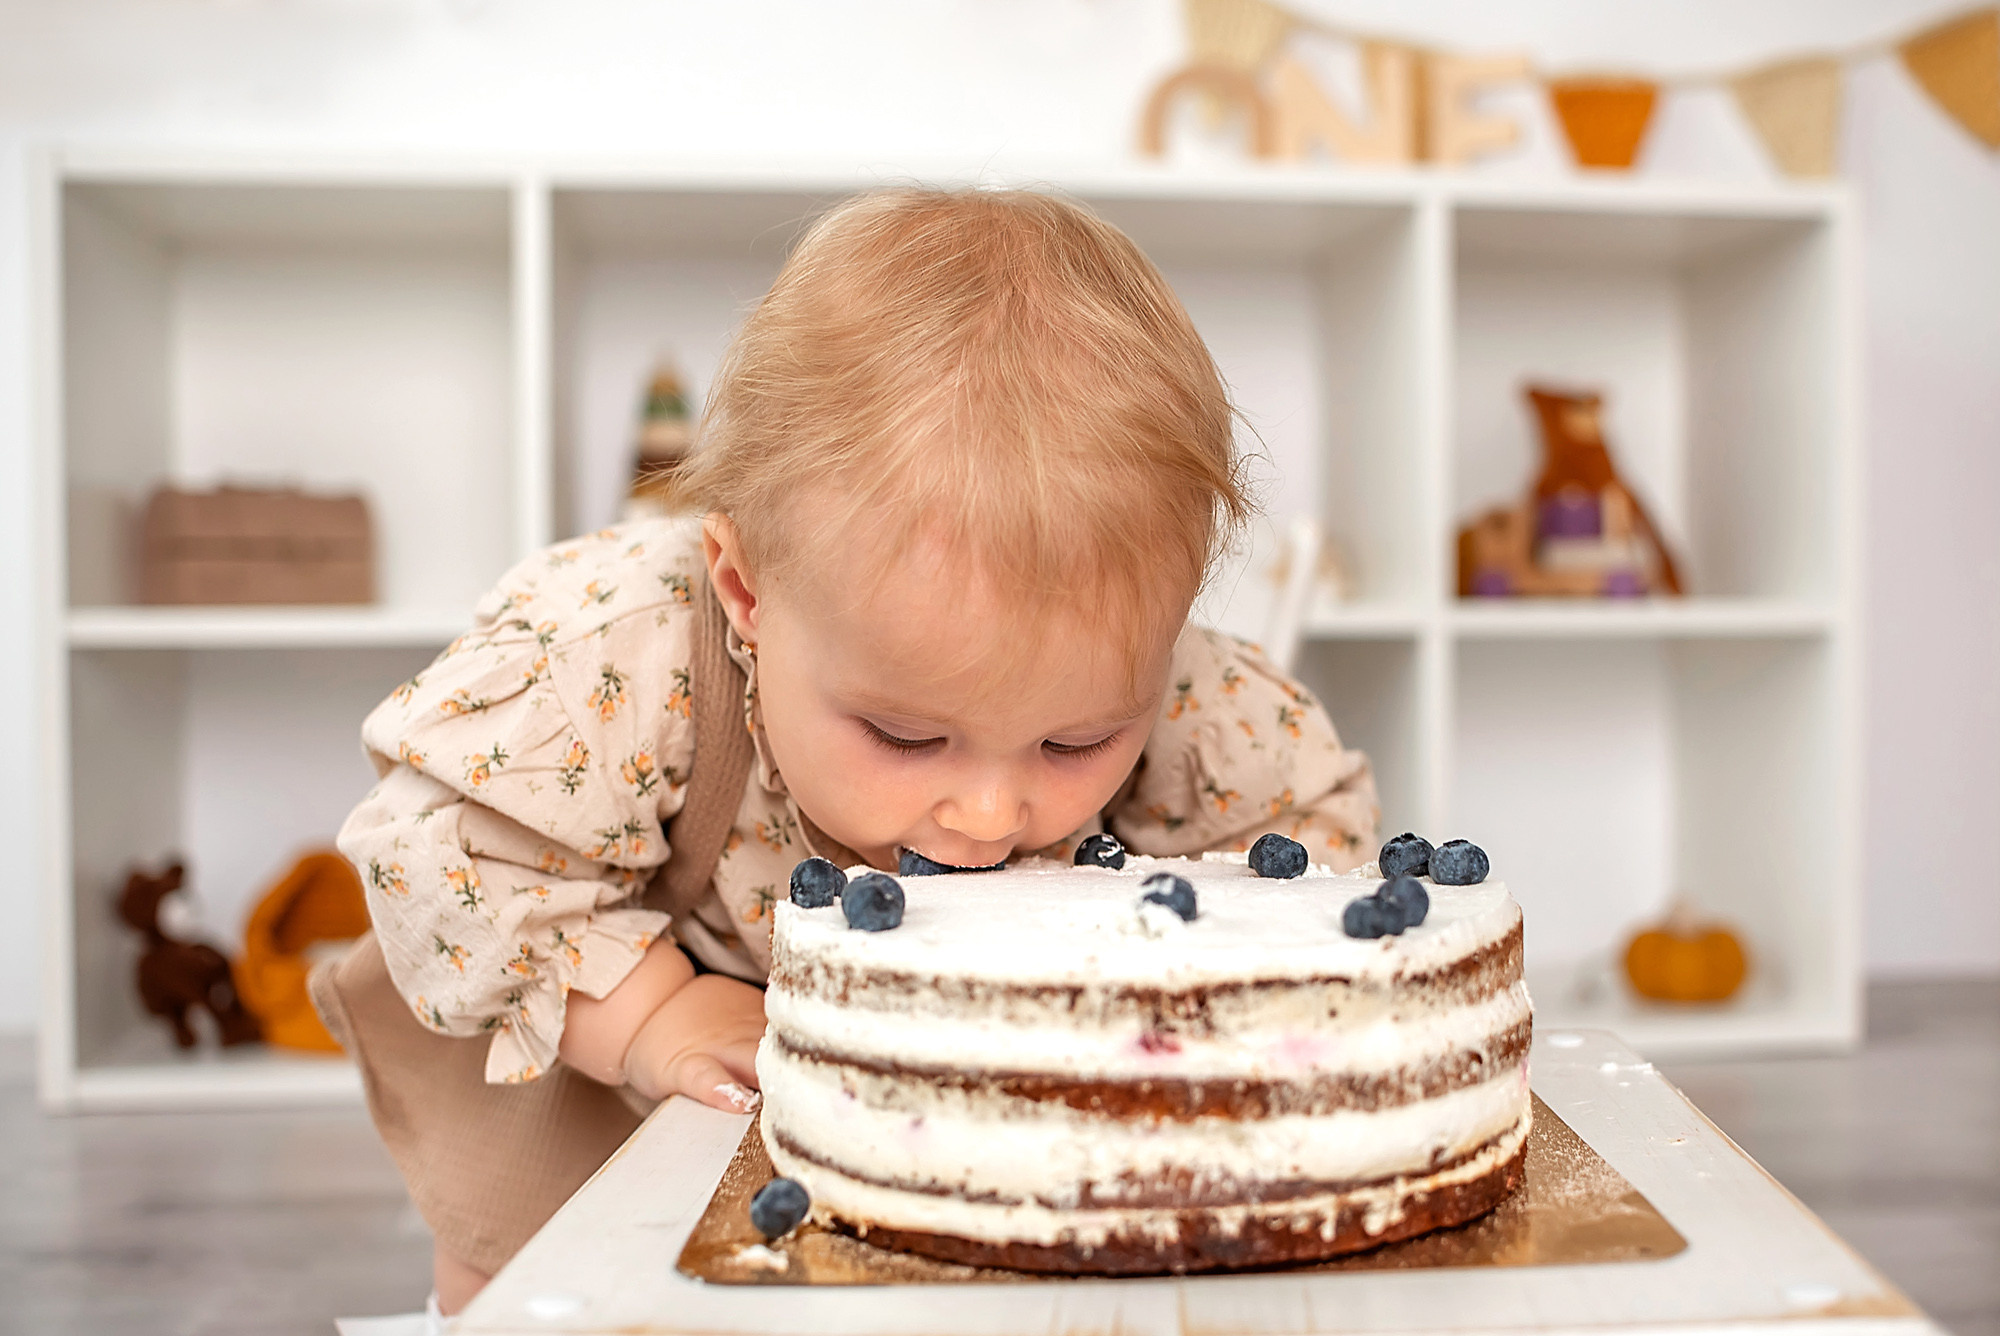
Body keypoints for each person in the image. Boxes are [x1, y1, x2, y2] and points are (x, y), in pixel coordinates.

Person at [329, 187, 1379, 1315]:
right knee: (531, 1271)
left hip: (941, 1101)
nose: (990, 814)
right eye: (905, 734)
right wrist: (650, 1017)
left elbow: (1303, 846)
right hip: (619, 1042)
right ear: (748, 592)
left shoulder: (1186, 688)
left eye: (1076, 739)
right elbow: (453, 855)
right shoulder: (620, 647)